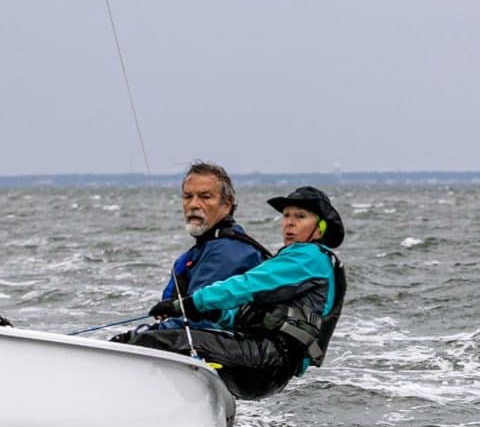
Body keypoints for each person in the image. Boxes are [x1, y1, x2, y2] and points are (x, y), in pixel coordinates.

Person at [123, 186, 346, 400]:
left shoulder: (309, 257)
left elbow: (245, 285)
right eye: (286, 215)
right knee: (157, 340)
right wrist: (211, 314)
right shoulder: (301, 262)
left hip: (267, 359)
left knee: (154, 340)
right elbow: (249, 309)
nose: (290, 222)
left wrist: (184, 304)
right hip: (266, 366)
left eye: (300, 216)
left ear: (321, 228)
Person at [112, 161, 269, 341]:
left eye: (205, 197)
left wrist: (134, 337)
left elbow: (199, 320)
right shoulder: (201, 249)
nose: (194, 204)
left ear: (227, 205)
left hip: (232, 352)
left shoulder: (228, 251)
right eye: (188, 196)